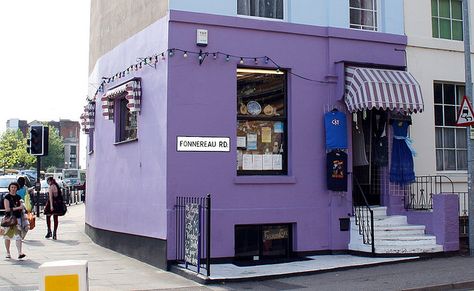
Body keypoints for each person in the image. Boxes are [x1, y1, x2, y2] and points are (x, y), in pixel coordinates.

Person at [3, 182, 26, 259]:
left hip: (18, 218)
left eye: (15, 187)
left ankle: (20, 252)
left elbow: (22, 206)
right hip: (9, 219)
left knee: (18, 236)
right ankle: (8, 252)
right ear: (9, 188)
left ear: (17, 188)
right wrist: (18, 208)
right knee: (7, 236)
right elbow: (7, 209)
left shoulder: (18, 197)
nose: (13, 189)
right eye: (12, 187)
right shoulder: (7, 197)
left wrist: (22, 206)